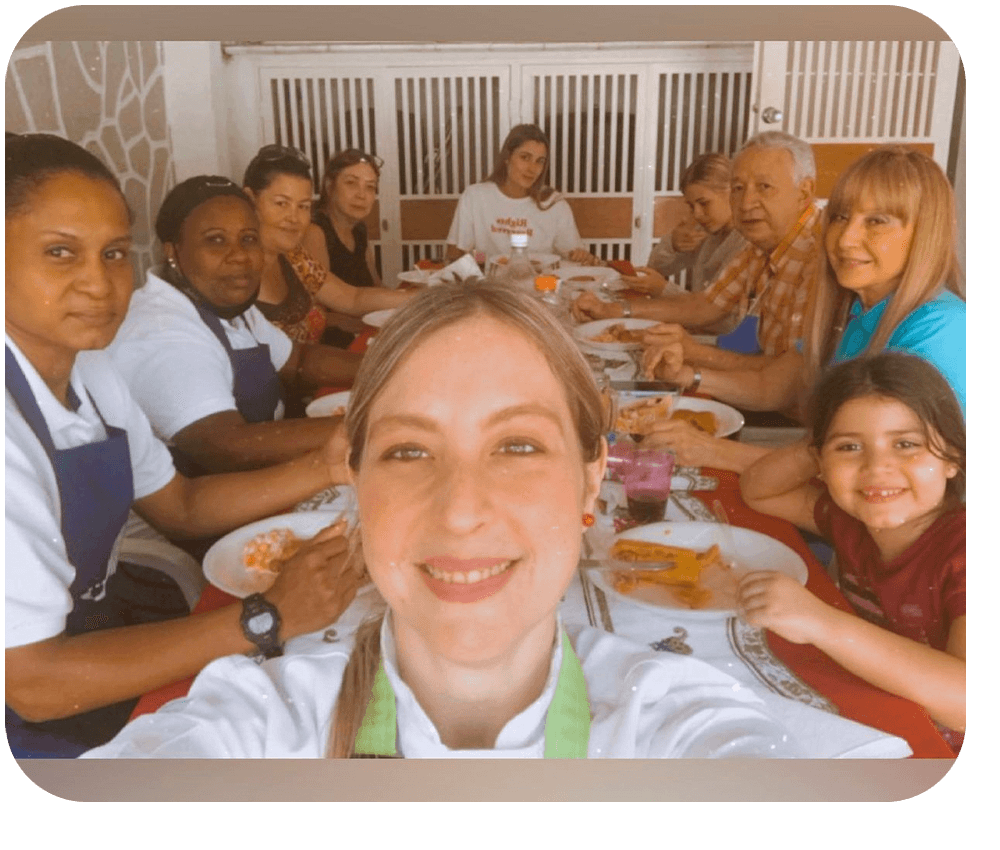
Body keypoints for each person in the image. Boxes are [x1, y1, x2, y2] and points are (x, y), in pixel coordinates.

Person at [82, 281, 801, 759]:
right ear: (354, 480)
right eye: (408, 451)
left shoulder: (677, 723)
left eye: (517, 446)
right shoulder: (261, 727)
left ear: (591, 480)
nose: (460, 512)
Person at [5, 134, 364, 757]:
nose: (98, 283)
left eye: (114, 253)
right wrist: (267, 617)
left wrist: (326, 465)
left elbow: (183, 505)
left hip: (96, 633)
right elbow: (33, 684)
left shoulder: (90, 371)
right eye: (60, 252)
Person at [641, 145, 966, 472]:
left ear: (926, 232)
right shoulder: (856, 306)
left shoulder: (939, 328)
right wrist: (686, 375)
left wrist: (712, 451)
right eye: (840, 217)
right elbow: (771, 385)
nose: (845, 239)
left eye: (876, 221)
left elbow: (868, 470)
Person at [737, 353, 965, 753]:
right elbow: (759, 490)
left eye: (906, 444)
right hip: (884, 720)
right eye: (851, 447)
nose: (877, 467)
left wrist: (819, 621)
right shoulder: (851, 522)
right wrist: (822, 446)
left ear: (952, 459)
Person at [108, 175, 367, 475]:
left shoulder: (223, 303)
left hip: (264, 480)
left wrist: (393, 368)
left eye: (249, 239)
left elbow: (298, 360)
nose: (240, 256)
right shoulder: (160, 329)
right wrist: (375, 425)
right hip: (215, 495)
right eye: (216, 240)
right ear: (173, 251)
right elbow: (228, 446)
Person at [573, 131, 821, 361]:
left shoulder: (816, 256)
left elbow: (783, 378)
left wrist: (693, 359)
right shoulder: (759, 245)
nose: (746, 203)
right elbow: (706, 305)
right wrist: (614, 309)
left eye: (764, 187)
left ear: (804, 192)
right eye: (739, 188)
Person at [242, 144, 413, 346]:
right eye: (281, 203)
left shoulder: (294, 257)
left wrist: (427, 297)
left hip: (318, 360)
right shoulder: (235, 272)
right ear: (250, 200)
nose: (294, 218)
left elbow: (352, 298)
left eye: (303, 206)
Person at [445, 124, 600, 265]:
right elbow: (455, 254)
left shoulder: (554, 203)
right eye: (525, 157)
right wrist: (483, 260)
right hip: (488, 283)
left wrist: (582, 257)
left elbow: (573, 257)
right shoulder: (475, 196)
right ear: (507, 158)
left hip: (540, 283)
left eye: (539, 161)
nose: (532, 169)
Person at [622, 153, 746, 296]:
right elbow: (655, 267)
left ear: (732, 193)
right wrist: (673, 245)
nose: (697, 214)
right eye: (691, 206)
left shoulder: (746, 242)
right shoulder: (705, 232)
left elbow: (716, 306)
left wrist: (664, 289)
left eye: (704, 203)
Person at [305, 148, 383, 288]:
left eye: (370, 187)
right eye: (351, 183)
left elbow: (376, 285)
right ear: (329, 186)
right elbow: (323, 299)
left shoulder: (359, 229)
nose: (361, 195)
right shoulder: (315, 232)